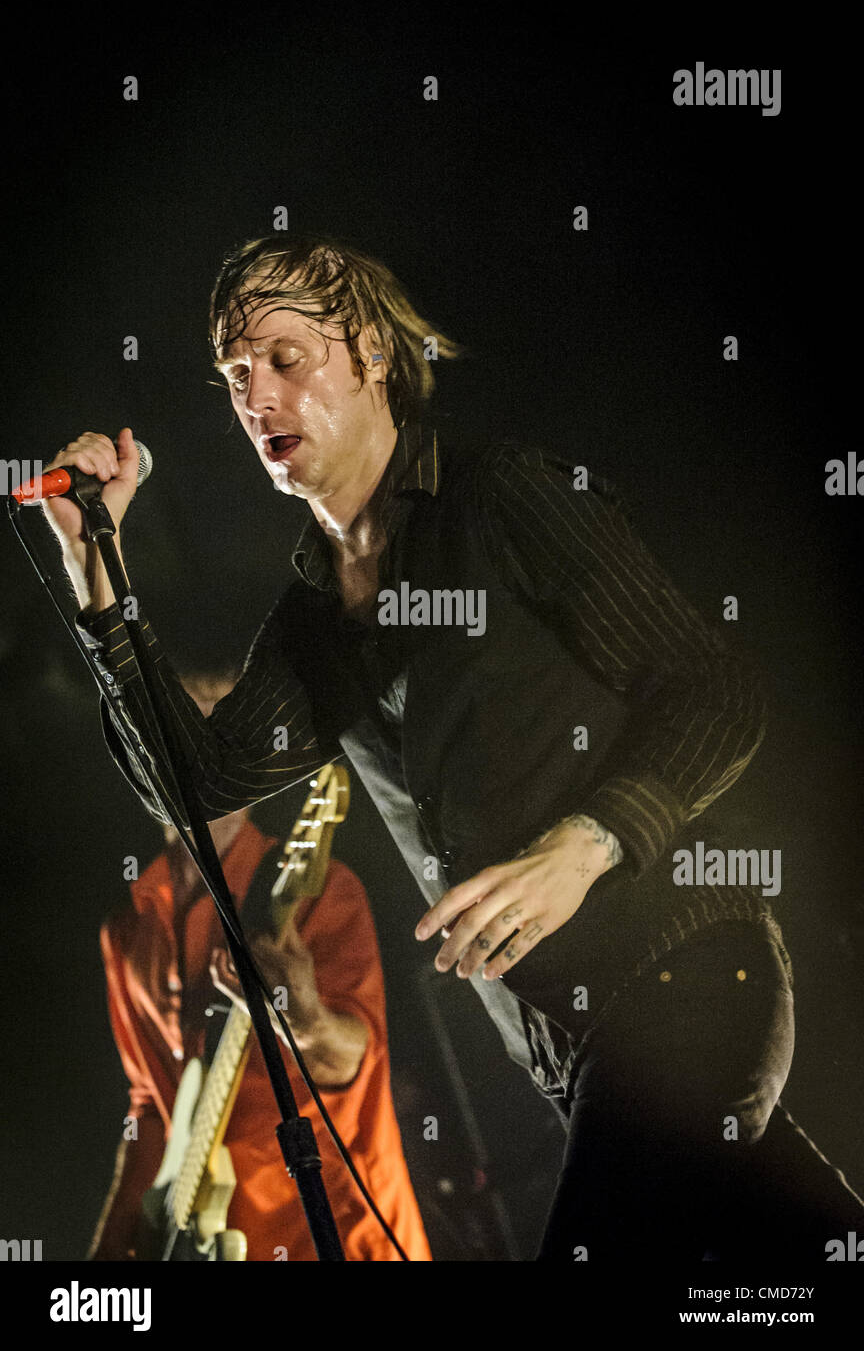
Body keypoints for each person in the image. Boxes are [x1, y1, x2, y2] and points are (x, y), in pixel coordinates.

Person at [44, 234, 863, 1261]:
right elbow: (196, 786)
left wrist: (589, 842)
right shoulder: (312, 621)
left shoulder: (501, 497)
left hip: (684, 981)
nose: (256, 395)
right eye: (236, 375)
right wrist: (95, 561)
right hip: (579, 1055)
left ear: (374, 356)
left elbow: (718, 687)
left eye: (286, 359)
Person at [88, 670, 432, 1262]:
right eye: (179, 721)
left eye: (222, 721)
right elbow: (150, 1103)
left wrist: (309, 1024)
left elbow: (357, 1053)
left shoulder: (316, 890)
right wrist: (112, 1252)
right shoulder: (126, 931)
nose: (201, 743)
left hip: (334, 1232)